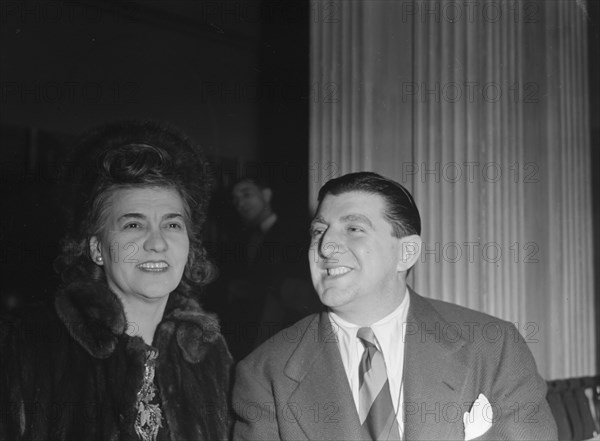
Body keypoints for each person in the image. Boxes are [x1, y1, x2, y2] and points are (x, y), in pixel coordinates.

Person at [232, 171, 558, 440]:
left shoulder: (494, 347)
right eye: (319, 231)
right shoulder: (265, 373)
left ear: (406, 253)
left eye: (354, 229)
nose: (326, 246)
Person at [0, 121, 232, 441]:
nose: (157, 243)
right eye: (134, 225)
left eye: (173, 225)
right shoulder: (30, 342)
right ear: (97, 248)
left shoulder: (209, 352)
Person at [220, 177, 317, 360]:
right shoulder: (242, 238)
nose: (240, 203)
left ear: (266, 195)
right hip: (251, 329)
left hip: (282, 330)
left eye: (247, 194)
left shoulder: (295, 233)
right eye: (235, 199)